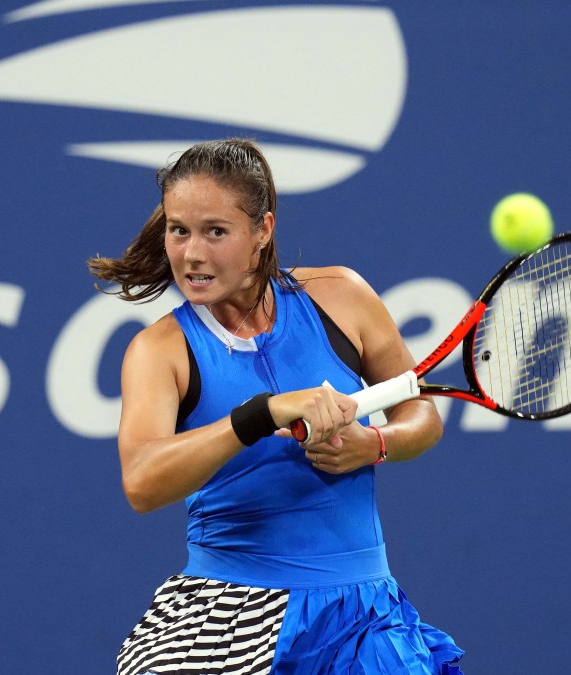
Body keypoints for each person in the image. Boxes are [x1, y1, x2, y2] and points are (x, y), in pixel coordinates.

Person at [88, 139, 463, 675]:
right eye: (179, 230)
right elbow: (142, 483)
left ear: (262, 231)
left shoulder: (342, 296)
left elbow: (422, 415)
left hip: (362, 620)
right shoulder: (159, 350)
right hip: (226, 616)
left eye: (215, 231)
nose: (192, 253)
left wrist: (374, 445)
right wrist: (260, 415)